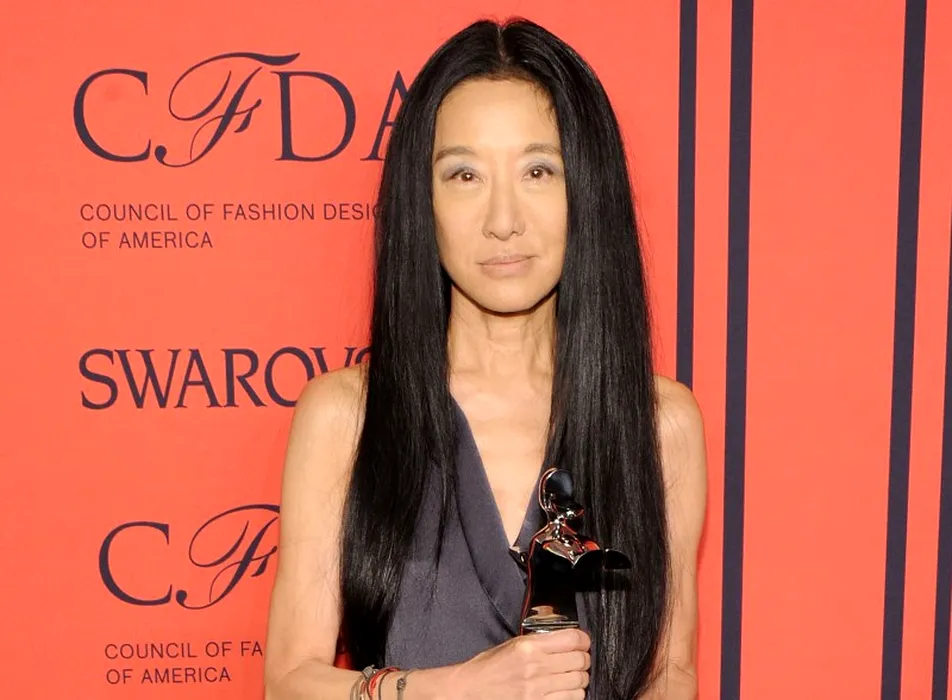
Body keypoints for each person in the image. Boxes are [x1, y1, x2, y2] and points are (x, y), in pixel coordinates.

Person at [263, 16, 706, 700]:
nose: (504, 220)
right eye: (464, 174)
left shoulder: (660, 423)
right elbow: (290, 682)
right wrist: (453, 688)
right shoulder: (346, 416)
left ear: (587, 191)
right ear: (424, 200)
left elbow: (670, 673)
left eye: (538, 170)